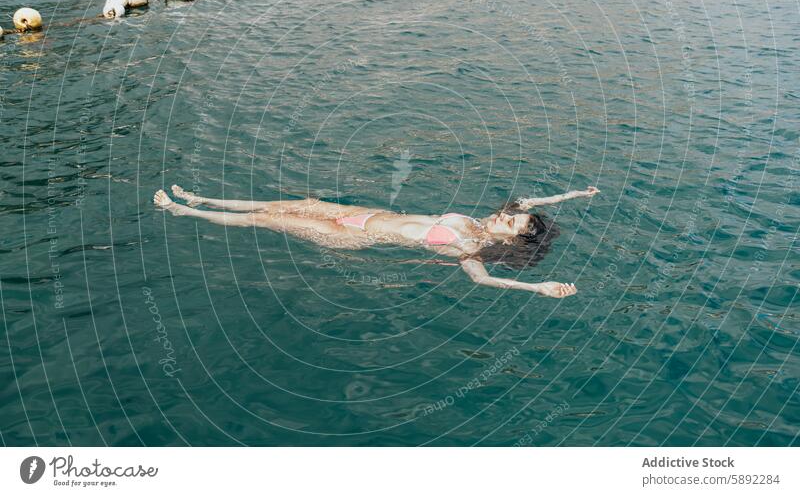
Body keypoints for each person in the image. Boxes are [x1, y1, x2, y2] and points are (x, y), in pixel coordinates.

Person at [154, 184, 601, 298]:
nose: (506, 215)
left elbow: (481, 282)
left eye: (512, 222)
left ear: (512, 240)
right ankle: (201, 197)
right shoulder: (474, 221)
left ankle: (184, 211)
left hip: (349, 238)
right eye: (511, 214)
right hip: (362, 215)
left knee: (268, 221)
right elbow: (525, 197)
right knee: (280, 203)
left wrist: (535, 287)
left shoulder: (469, 249)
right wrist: (573, 195)